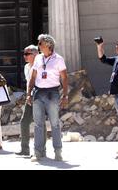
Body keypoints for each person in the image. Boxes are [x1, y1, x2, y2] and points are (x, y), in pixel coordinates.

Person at [27, 34, 69, 162]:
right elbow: (33, 77)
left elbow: (64, 78)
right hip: (38, 93)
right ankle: (38, 153)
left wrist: (65, 95)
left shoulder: (59, 59)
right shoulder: (38, 58)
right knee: (38, 124)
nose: (38, 46)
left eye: (40, 43)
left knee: (55, 124)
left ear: (48, 45)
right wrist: (29, 93)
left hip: (52, 93)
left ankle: (58, 152)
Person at [16, 45, 46, 156]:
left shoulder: (42, 66)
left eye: (27, 54)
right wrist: (28, 95)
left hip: (40, 97)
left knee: (40, 123)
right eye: (24, 54)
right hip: (30, 97)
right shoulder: (26, 67)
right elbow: (29, 83)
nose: (25, 56)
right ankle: (25, 149)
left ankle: (41, 150)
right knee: (24, 122)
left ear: (35, 54)